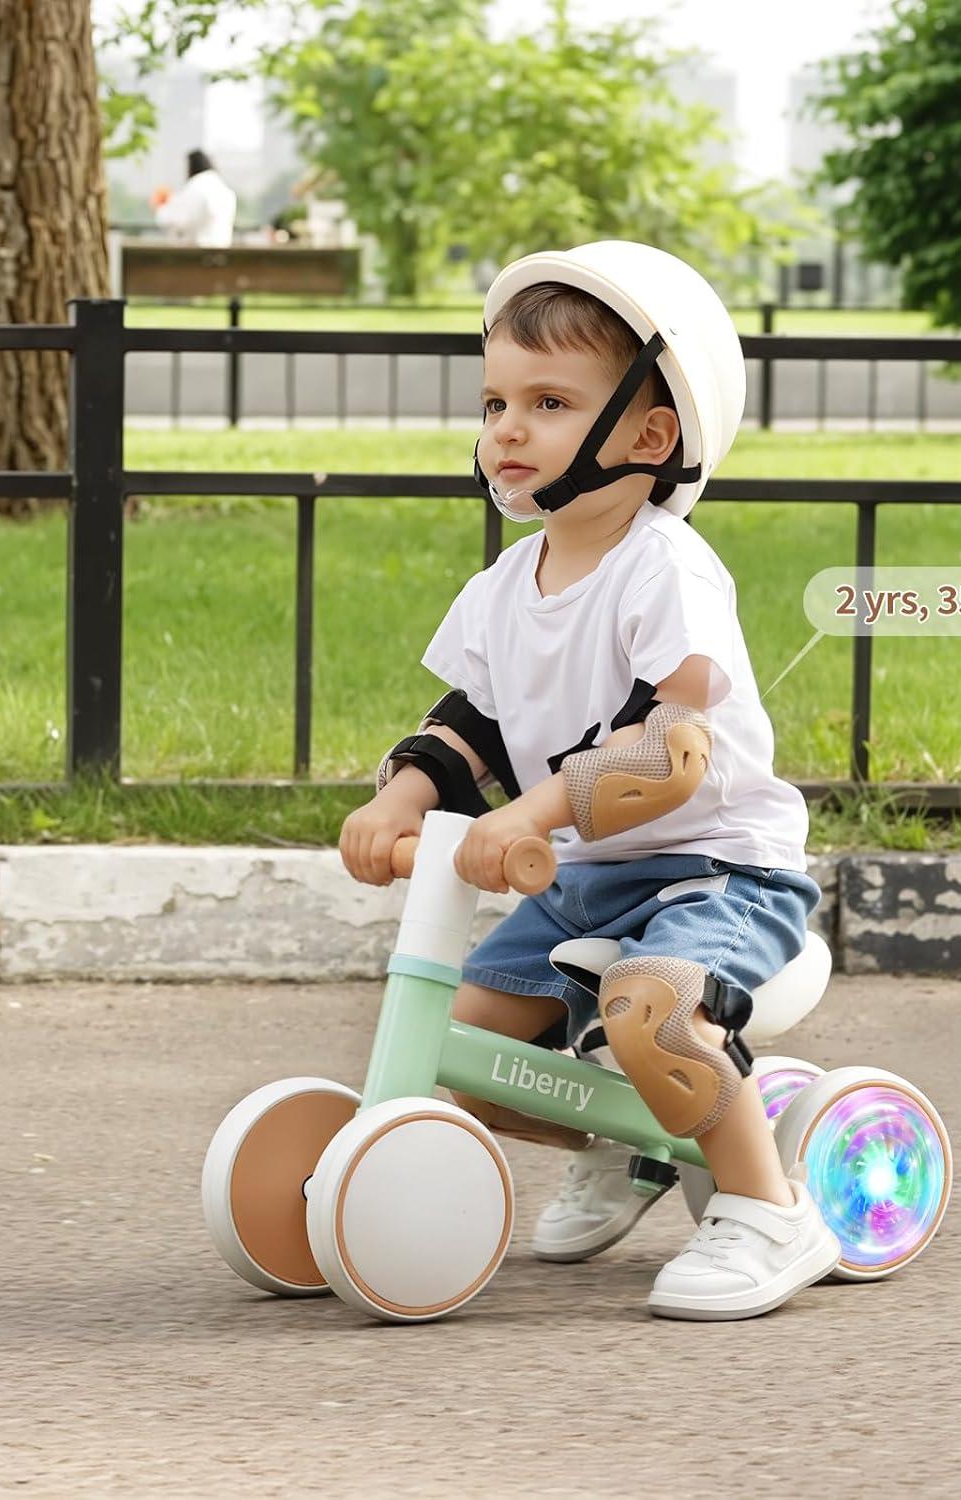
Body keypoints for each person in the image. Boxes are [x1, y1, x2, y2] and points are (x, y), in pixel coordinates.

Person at [339, 241, 840, 1321]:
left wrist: (529, 812)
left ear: (649, 437)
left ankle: (769, 1209)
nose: (507, 430)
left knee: (649, 1008)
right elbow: (470, 726)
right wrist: (401, 799)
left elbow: (671, 750)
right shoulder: (501, 587)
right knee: (457, 1050)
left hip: (719, 874)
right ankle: (626, 1145)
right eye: (496, 403)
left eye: (550, 403)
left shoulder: (665, 568)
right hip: (586, 884)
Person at [151, 149, 236, 249]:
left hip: (197, 251)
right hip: (222, 249)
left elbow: (176, 220)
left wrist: (161, 206)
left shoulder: (195, 188)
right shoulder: (224, 190)